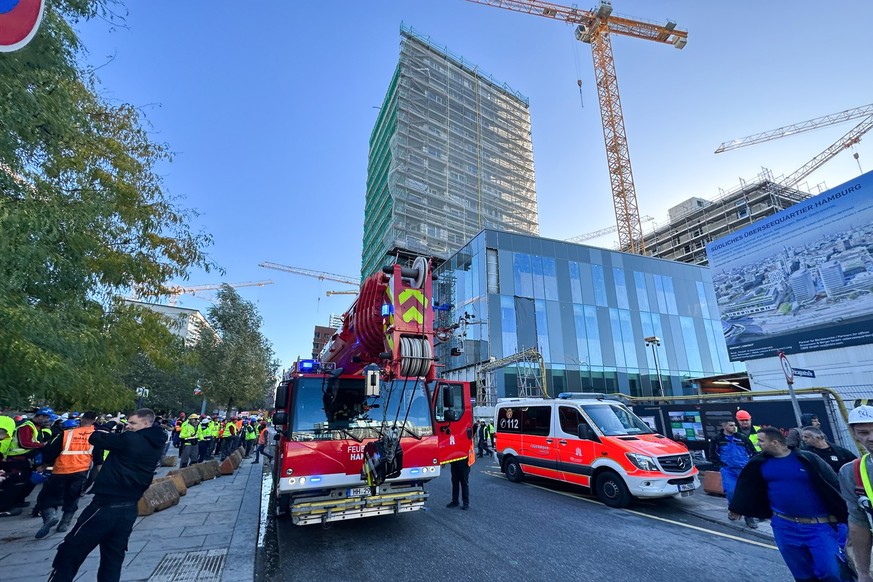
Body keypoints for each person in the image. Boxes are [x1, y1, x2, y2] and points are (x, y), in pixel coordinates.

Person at [48, 408, 166, 582]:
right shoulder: (156, 443)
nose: (128, 426)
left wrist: (112, 423)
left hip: (105, 506)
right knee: (112, 558)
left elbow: (95, 436)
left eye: (133, 423)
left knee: (71, 550)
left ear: (146, 423)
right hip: (128, 508)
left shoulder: (130, 439)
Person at [730, 426, 848, 582]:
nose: (758, 444)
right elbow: (747, 486)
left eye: (761, 441)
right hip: (784, 527)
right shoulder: (759, 463)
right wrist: (738, 508)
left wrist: (845, 515)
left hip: (820, 527)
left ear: (775, 442)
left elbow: (833, 483)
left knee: (831, 572)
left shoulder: (807, 458)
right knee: (802, 575)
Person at [35, 412, 97, 538]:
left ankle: (51, 516)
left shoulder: (67, 434)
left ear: (82, 420)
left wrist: (44, 464)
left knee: (47, 497)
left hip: (60, 470)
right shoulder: (96, 436)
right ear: (93, 421)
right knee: (73, 497)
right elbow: (98, 458)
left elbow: (51, 451)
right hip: (81, 471)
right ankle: (65, 523)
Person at [839, 405, 873, 582]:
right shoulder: (852, 472)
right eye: (864, 432)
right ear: (854, 433)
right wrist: (863, 571)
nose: (871, 438)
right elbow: (859, 524)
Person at [708, 418, 759, 528]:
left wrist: (751, 465)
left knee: (747, 494)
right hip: (728, 470)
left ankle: (748, 517)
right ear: (724, 426)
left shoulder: (742, 438)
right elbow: (713, 455)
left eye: (734, 425)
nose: (734, 427)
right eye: (731, 425)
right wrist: (721, 466)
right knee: (731, 492)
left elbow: (753, 452)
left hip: (744, 469)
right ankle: (734, 509)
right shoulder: (717, 439)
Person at [447, 446, 474, 511]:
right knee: (455, 483)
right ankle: (455, 501)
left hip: (464, 462)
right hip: (454, 462)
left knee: (464, 483)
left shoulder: (466, 436)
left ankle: (466, 502)